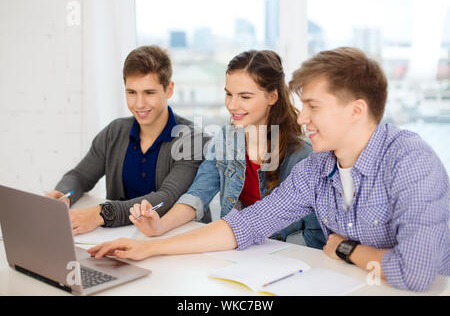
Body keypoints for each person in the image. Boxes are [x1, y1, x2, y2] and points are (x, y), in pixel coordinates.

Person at [88, 47, 450, 292]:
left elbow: (415, 273)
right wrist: (153, 249)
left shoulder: (410, 163)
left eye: (313, 106)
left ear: (356, 110)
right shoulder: (318, 168)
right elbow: (245, 224)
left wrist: (344, 248)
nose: (303, 117)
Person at [127, 50, 325, 248]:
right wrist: (160, 226)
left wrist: (261, 250)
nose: (232, 105)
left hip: (284, 257)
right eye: (228, 94)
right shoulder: (225, 138)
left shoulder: (303, 155)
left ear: (272, 96)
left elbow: (315, 236)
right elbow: (199, 193)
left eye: (245, 97)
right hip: (237, 247)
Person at [46, 45, 208, 235]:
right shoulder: (115, 132)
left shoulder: (192, 140)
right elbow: (80, 177)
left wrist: (102, 214)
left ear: (169, 89)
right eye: (131, 92)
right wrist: (64, 194)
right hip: (118, 235)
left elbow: (167, 198)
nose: (139, 104)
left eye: (149, 93)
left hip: (172, 240)